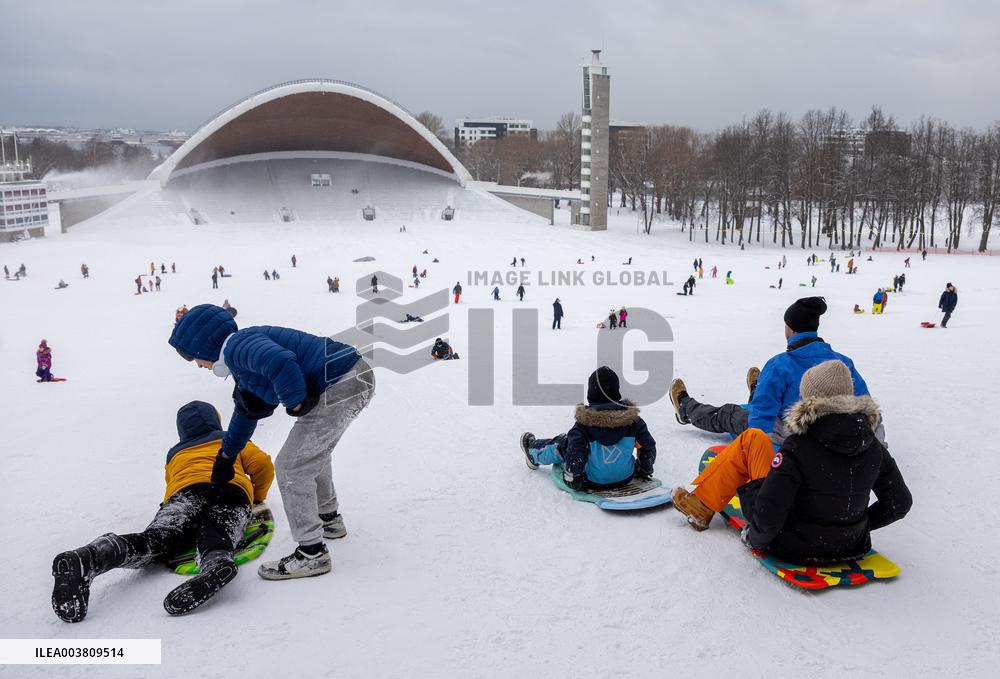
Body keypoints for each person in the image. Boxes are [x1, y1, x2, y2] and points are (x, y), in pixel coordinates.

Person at [168, 305, 374, 580]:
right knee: (311, 455)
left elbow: (279, 361)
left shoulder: (238, 346)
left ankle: (312, 554)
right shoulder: (242, 364)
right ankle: (329, 519)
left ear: (204, 345)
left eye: (194, 358)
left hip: (340, 380)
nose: (198, 365)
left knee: (292, 467)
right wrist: (226, 457)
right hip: (350, 376)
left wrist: (296, 401)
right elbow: (246, 413)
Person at [51, 401, 274, 621]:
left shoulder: (175, 453)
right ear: (216, 420)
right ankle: (215, 562)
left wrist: (170, 510)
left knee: (157, 539)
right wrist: (258, 496)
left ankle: (92, 556)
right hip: (230, 490)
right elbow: (262, 465)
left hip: (185, 495)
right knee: (218, 529)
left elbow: (172, 483)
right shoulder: (230, 438)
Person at [672, 360, 911, 563]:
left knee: (752, 439)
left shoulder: (800, 446)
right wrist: (858, 527)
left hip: (791, 546)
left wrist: (754, 539)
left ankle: (702, 504)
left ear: (810, 400)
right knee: (756, 439)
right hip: (852, 545)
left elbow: (769, 511)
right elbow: (899, 503)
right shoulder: (872, 446)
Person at [669, 297, 877, 447]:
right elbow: (863, 402)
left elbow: (760, 419)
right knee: (767, 394)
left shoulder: (780, 364)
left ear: (790, 329)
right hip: (834, 431)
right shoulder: (843, 362)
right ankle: (760, 389)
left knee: (730, 414)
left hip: (789, 433)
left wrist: (756, 447)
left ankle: (687, 410)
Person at [520, 366, 656, 490]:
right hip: (626, 477)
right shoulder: (634, 422)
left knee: (564, 443)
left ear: (591, 395)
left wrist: (573, 477)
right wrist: (645, 468)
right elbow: (647, 446)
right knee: (574, 442)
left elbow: (576, 453)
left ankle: (533, 452)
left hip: (593, 480)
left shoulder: (583, 427)